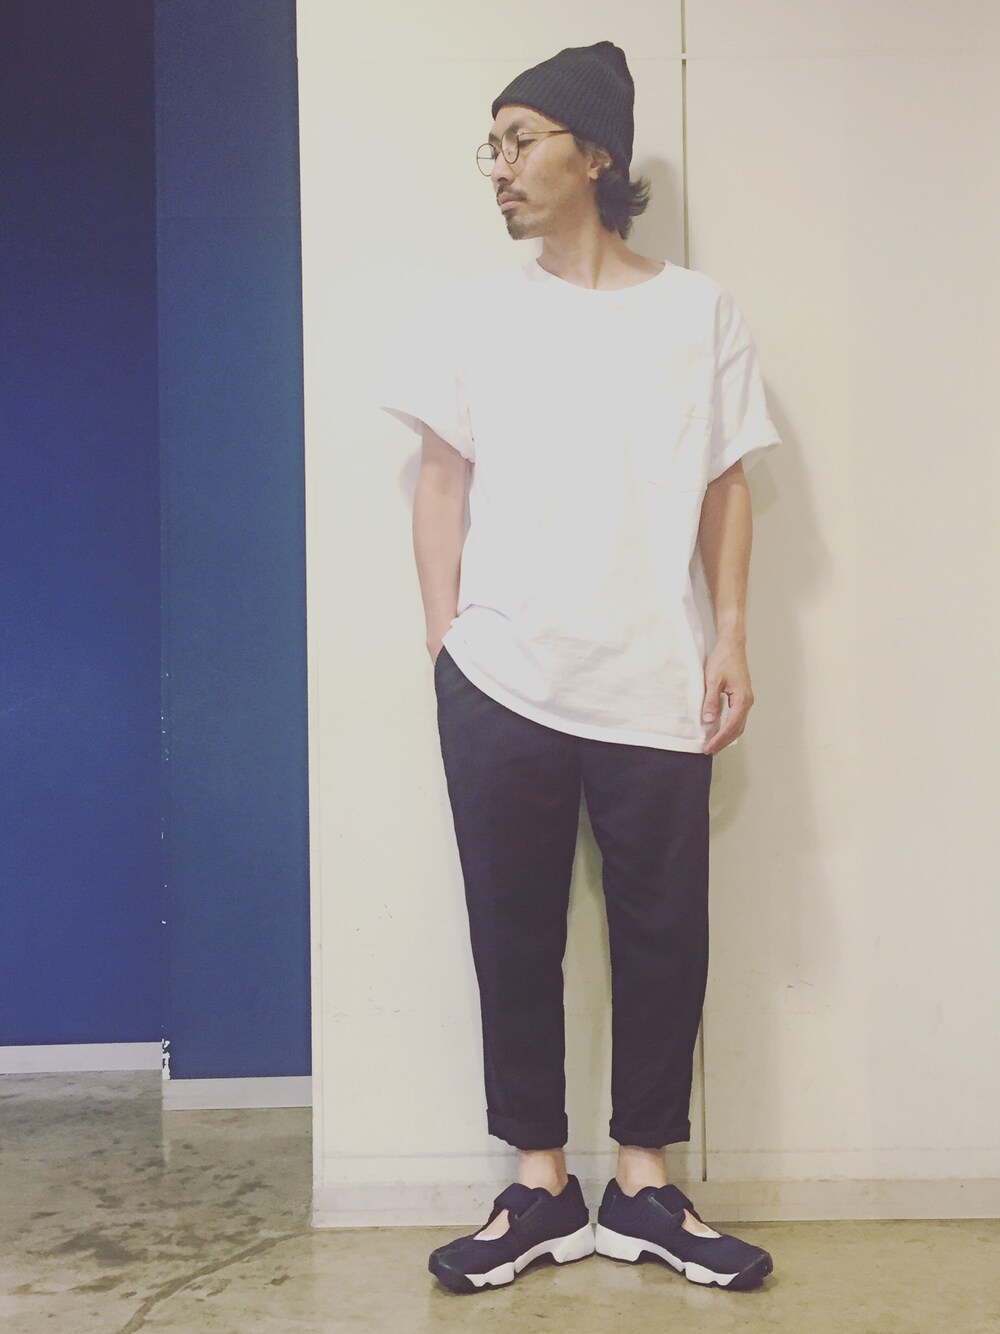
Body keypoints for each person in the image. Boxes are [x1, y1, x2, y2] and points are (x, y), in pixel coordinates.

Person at [379, 40, 780, 1295]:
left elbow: (725, 483)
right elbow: (440, 481)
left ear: (594, 153)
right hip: (503, 676)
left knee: (667, 935)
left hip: (654, 675)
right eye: (491, 145)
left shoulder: (698, 312)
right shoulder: (473, 313)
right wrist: (446, 642)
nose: (497, 166)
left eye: (520, 139)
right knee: (512, 933)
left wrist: (729, 631)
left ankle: (644, 1186)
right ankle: (539, 1186)